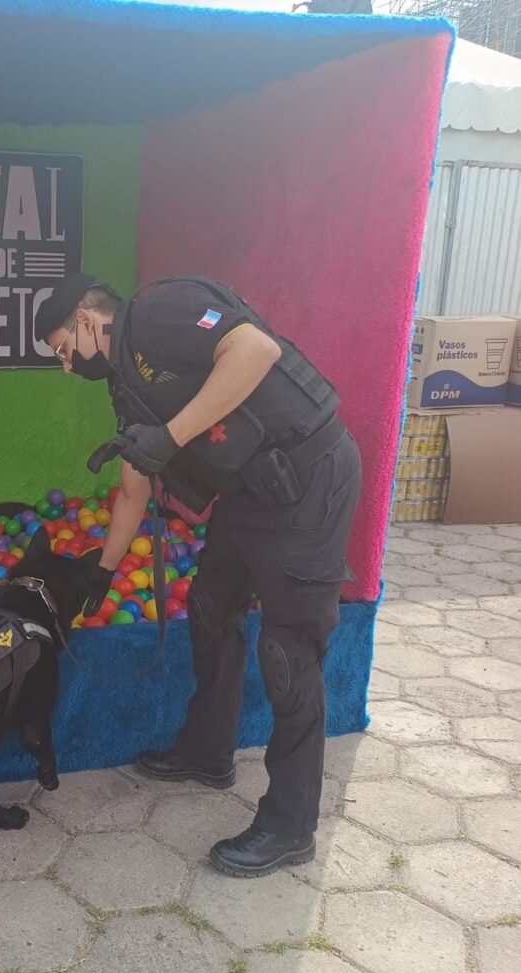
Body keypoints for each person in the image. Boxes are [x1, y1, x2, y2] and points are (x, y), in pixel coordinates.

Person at [35, 272, 361, 877]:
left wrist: (171, 435)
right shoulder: (126, 382)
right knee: (210, 609)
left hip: (310, 479)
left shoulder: (160, 310)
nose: (66, 366)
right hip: (250, 492)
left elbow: (255, 349)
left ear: (84, 320)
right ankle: (209, 751)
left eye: (61, 350)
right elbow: (134, 488)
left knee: (288, 654)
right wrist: (103, 572)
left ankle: (291, 826)